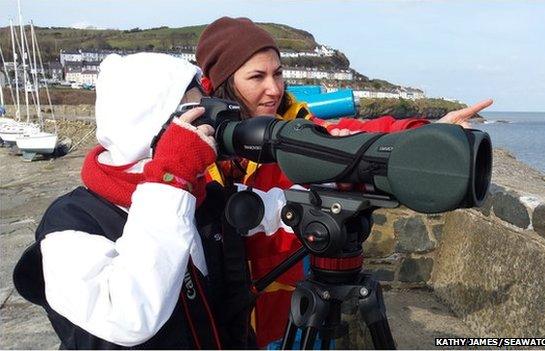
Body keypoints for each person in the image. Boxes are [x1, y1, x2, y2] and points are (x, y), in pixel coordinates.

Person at [193, 16, 494, 348]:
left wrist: (427, 134)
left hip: (289, 314)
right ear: (220, 85)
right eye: (257, 77)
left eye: (278, 73)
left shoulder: (297, 130)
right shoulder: (192, 148)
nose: (274, 89)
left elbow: (351, 139)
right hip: (220, 317)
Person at [13, 53, 256, 349]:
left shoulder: (202, 199)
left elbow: (274, 211)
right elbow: (131, 316)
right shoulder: (70, 225)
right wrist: (171, 175)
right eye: (194, 112)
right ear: (149, 126)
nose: (206, 123)